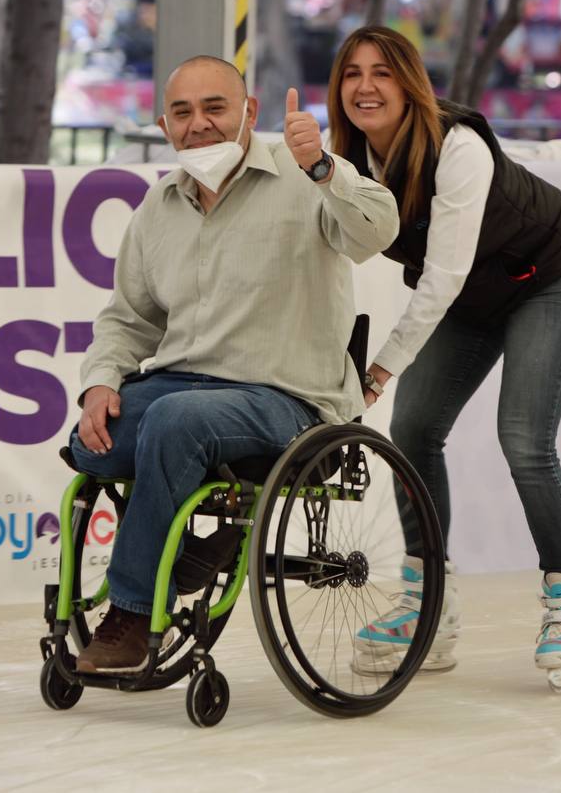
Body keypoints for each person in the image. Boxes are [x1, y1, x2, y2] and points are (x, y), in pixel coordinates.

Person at [67, 55, 399, 673]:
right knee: (93, 443)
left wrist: (324, 168)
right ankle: (191, 554)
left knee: (175, 423)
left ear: (249, 112)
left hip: (287, 397)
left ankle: (132, 613)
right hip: (181, 388)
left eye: (215, 108)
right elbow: (128, 320)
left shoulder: (303, 174)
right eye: (183, 113)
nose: (199, 124)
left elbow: (378, 231)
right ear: (165, 126)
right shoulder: (159, 207)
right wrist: (100, 383)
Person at [326, 26, 561, 691]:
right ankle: (430, 604)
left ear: (410, 84)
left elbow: (443, 275)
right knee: (413, 429)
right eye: (353, 73)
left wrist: (382, 367)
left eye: (383, 72)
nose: (366, 86)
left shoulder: (458, 145)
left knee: (525, 442)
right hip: (472, 296)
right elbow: (338, 249)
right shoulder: (348, 163)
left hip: (547, 277)